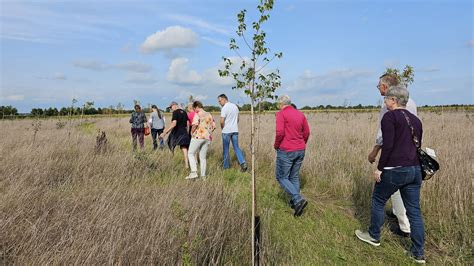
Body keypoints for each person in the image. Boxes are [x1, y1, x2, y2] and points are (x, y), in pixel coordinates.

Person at [356, 85, 425, 264]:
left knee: (378, 200)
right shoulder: (416, 120)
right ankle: (418, 253)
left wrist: (380, 168)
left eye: (386, 99)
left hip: (395, 169)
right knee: (414, 211)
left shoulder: (390, 117)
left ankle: (374, 236)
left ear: (393, 100)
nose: (384, 102)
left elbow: (388, 145)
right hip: (415, 169)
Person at [367, 73, 417, 237]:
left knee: (383, 195)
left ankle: (401, 227)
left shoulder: (388, 108)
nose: (377, 88)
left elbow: (385, 135)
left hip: (394, 157)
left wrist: (375, 152)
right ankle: (399, 215)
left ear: (386, 87)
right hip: (411, 156)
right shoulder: (412, 103)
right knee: (406, 195)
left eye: (379, 85)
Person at [274, 95, 310, 217]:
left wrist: (276, 145)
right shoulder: (300, 114)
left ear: (280, 104)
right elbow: (307, 132)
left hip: (286, 149)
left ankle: (298, 199)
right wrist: (301, 143)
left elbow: (280, 132)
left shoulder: (281, 114)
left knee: (281, 177)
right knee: (294, 177)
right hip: (300, 149)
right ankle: (295, 203)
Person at [186, 101, 216, 179]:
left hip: (198, 136)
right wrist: (207, 132)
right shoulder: (209, 114)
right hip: (207, 137)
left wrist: (192, 132)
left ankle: (194, 172)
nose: (194, 110)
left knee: (190, 153)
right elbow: (213, 126)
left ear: (196, 107)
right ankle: (203, 176)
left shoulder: (197, 114)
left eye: (194, 108)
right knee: (203, 158)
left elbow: (195, 124)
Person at [217, 94, 247, 172]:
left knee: (226, 149)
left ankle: (226, 167)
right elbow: (238, 119)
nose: (219, 103)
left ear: (224, 99)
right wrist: (234, 125)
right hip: (235, 130)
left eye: (220, 101)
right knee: (236, 147)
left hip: (226, 131)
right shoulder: (235, 106)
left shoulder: (224, 108)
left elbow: (221, 121)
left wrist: (223, 128)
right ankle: (243, 163)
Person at [160, 102, 190, 169]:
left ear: (174, 105)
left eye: (171, 107)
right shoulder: (184, 112)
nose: (171, 109)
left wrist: (165, 132)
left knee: (169, 144)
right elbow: (188, 123)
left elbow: (174, 124)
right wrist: (187, 132)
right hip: (184, 132)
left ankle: (170, 161)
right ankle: (187, 165)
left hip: (176, 132)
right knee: (184, 148)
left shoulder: (175, 112)